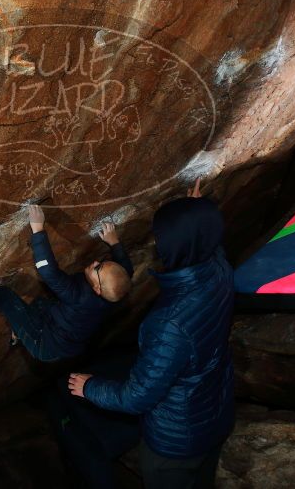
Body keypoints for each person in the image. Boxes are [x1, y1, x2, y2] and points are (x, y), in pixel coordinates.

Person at [67, 183, 235, 488]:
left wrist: (90, 387)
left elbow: (137, 397)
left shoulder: (169, 323)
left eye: (161, 237)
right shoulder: (220, 271)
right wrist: (197, 212)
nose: (157, 241)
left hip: (177, 442)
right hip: (216, 412)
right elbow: (210, 241)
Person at [0, 205, 134, 362]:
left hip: (44, 343)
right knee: (43, 303)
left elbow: (48, 271)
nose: (97, 262)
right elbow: (126, 270)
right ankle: (19, 332)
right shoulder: (114, 291)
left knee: (3, 295)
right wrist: (114, 242)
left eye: (98, 269)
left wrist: (38, 230)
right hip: (65, 336)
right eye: (104, 263)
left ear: (97, 289)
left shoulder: (79, 296)